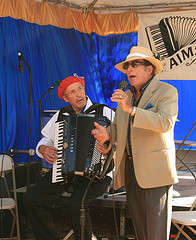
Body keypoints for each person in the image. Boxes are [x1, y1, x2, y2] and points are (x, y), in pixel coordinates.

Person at [92, 46, 179, 240]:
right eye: (127, 65)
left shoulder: (166, 91)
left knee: (156, 233)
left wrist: (131, 109)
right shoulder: (127, 95)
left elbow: (165, 122)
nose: (129, 69)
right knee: (140, 230)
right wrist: (107, 137)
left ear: (149, 69)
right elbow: (118, 127)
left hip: (155, 172)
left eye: (135, 64)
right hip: (130, 170)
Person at [23, 74, 114, 240]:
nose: (79, 94)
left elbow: (119, 138)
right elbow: (45, 139)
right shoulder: (61, 115)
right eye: (72, 92)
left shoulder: (104, 111)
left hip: (98, 175)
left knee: (76, 205)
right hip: (64, 171)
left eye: (80, 89)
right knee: (32, 198)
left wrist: (108, 145)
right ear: (66, 98)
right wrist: (42, 148)